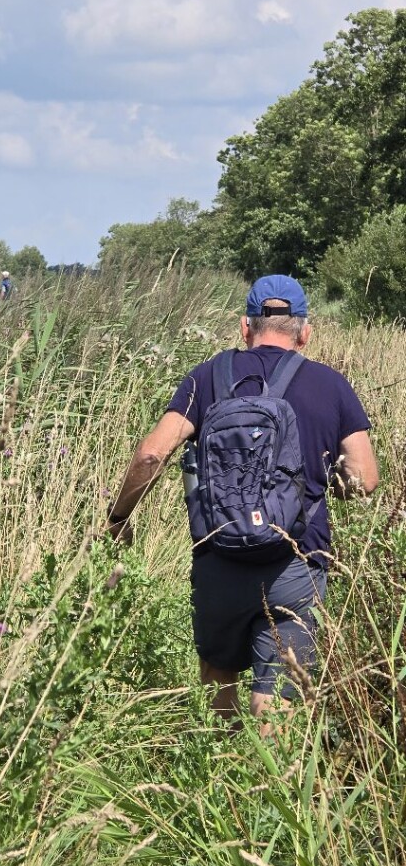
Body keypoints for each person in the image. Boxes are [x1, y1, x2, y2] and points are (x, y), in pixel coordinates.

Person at [107, 274, 378, 733]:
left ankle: (220, 765)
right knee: (279, 696)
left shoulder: (206, 377)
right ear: (305, 332)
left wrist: (119, 518)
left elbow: (151, 455)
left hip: (219, 560)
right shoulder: (330, 385)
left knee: (218, 685)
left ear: (245, 327)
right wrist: (324, 484)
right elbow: (365, 479)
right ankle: (266, 774)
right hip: (297, 564)